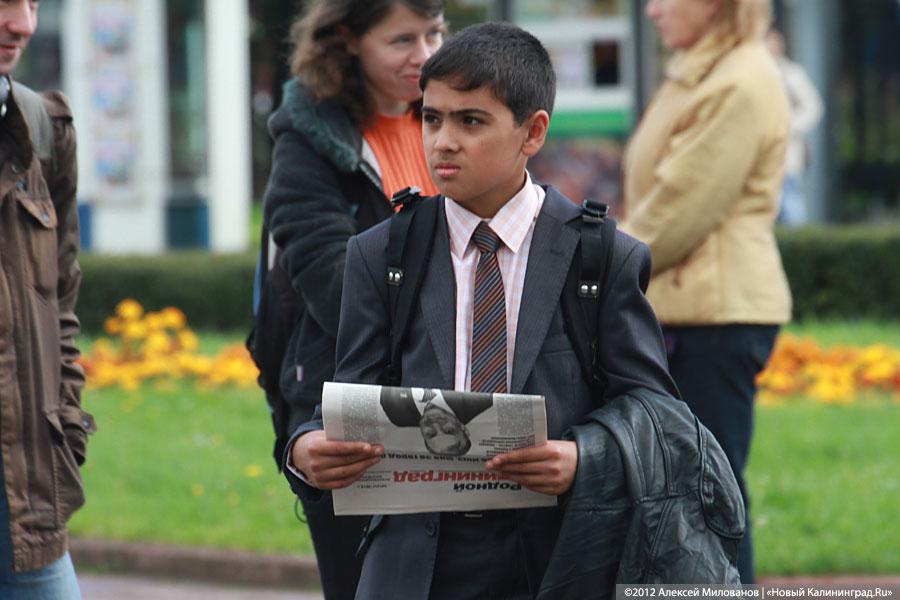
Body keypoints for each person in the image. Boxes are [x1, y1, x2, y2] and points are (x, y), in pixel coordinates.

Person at [287, 22, 681, 598]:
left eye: (471, 121)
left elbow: (654, 412)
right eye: (431, 118)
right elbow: (353, 395)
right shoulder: (380, 253)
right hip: (416, 562)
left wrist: (582, 458)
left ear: (533, 132)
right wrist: (306, 449)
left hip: (558, 558)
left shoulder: (599, 256)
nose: (444, 141)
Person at [260, 1, 445, 598]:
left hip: (460, 403)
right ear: (346, 40)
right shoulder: (307, 142)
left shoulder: (452, 119)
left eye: (436, 33)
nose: (426, 55)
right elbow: (340, 290)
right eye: (402, 41)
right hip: (352, 415)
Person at [620, 0, 792, 584]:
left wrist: (587, 272)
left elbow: (677, 213)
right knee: (685, 498)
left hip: (712, 317)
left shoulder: (737, 80)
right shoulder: (704, 68)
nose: (651, 12)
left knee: (706, 501)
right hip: (692, 310)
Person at [0, 1, 95, 598]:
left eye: (32, 2)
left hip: (26, 496)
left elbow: (61, 301)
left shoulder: (41, 128)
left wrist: (67, 421)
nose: (23, 24)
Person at [765, 29, 823, 226]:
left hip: (787, 155)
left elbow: (813, 107)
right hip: (762, 158)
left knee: (791, 209)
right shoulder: (756, 73)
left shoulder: (791, 74)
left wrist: (788, 125)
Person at [379, 387, 493, 456]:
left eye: (430, 434)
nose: (435, 425)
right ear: (463, 427)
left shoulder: (395, 413)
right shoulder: (482, 403)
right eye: (449, 430)